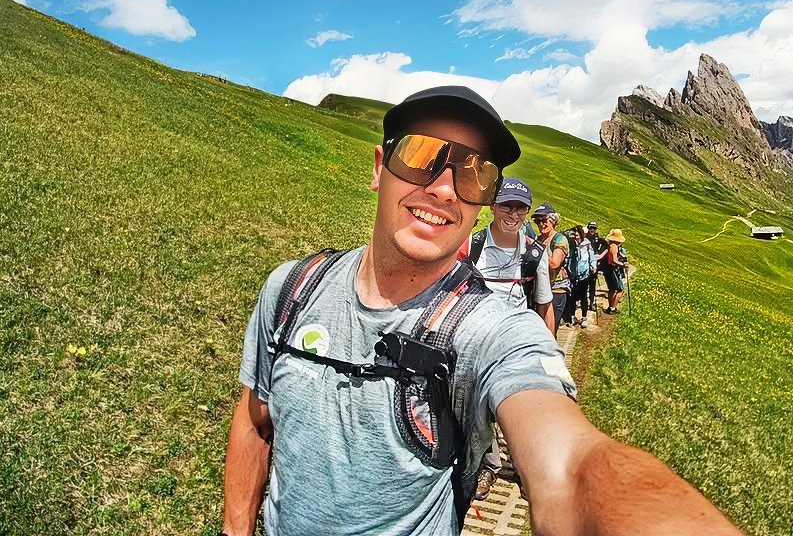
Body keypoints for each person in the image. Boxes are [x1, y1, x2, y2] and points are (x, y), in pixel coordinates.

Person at [222, 85, 745, 536]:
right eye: (422, 154)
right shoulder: (291, 288)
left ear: (483, 200)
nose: (446, 188)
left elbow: (570, 463)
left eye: (475, 174)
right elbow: (255, 420)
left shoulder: (489, 327)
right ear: (379, 168)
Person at [466, 176, 549, 499]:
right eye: (507, 205)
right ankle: (489, 466)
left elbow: (543, 304)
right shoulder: (471, 246)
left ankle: (526, 467)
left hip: (516, 345)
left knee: (518, 409)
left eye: (521, 208)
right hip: (479, 343)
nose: (513, 214)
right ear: (492, 206)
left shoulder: (533, 254)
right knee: (481, 411)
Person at [532, 203, 571, 334]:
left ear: (553, 221)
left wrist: (536, 249)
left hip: (556, 289)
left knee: (549, 330)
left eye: (544, 220)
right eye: (537, 221)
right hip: (539, 288)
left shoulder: (559, 239)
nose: (541, 224)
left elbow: (555, 263)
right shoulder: (539, 239)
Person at [567, 226, 594, 328]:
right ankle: (572, 316)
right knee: (572, 297)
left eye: (577, 234)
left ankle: (584, 317)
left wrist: (593, 266)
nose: (575, 236)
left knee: (583, 297)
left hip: (584, 275)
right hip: (572, 275)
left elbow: (592, 257)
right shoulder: (571, 244)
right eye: (574, 234)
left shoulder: (587, 244)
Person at [603, 228, 629, 314]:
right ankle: (613, 308)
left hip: (608, 269)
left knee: (611, 289)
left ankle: (610, 307)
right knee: (620, 289)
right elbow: (614, 260)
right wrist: (623, 265)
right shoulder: (614, 247)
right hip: (613, 269)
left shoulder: (610, 245)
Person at [587, 221, 606, 313]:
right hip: (585, 264)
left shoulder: (598, 238)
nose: (592, 230)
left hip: (594, 264)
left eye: (594, 228)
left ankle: (591, 302)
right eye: (591, 228)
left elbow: (607, 246)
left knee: (592, 284)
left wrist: (601, 255)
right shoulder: (585, 237)